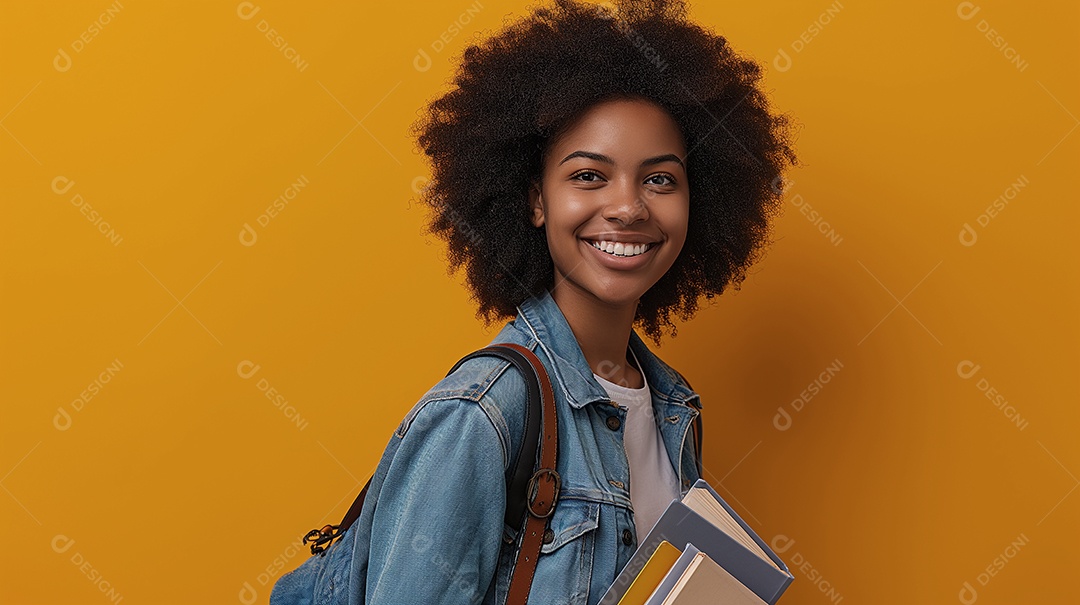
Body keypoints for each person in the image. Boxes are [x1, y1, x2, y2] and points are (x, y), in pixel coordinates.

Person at [271, 0, 797, 603]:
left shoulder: (673, 408)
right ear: (535, 201)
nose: (628, 207)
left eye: (659, 179)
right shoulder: (484, 415)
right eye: (588, 176)